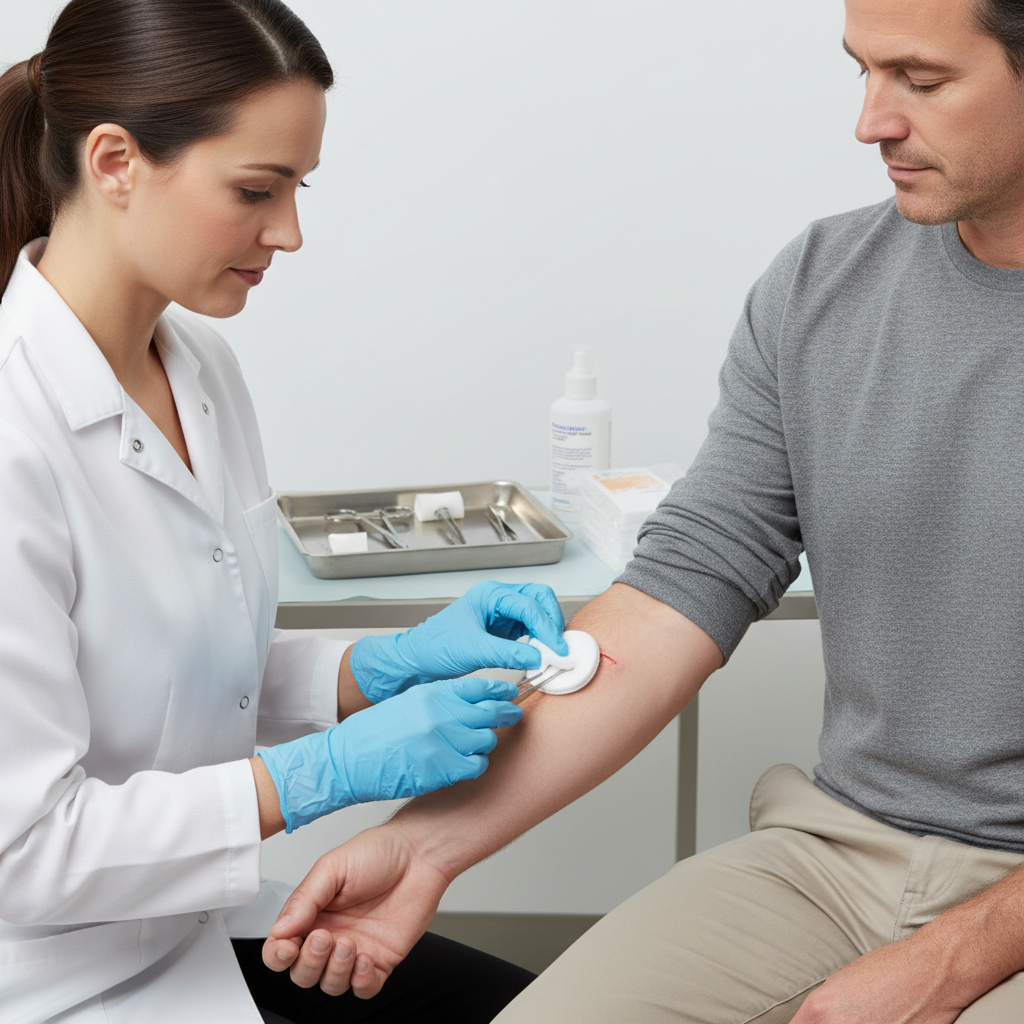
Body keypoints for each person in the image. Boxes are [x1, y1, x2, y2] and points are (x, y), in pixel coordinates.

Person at [258, 0, 1024, 1020]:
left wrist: (957, 958)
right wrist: (424, 842)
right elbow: (669, 603)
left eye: (920, 82)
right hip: (838, 853)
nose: (870, 122)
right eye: (862, 73)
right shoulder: (819, 287)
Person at [0, 2, 572, 1021]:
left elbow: (168, 664)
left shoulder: (201, 368)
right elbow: (28, 852)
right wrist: (317, 775)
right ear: (115, 161)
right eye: (256, 191)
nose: (290, 233)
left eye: (297, 189)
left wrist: (368, 671)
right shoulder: (14, 436)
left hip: (196, 925)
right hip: (55, 980)